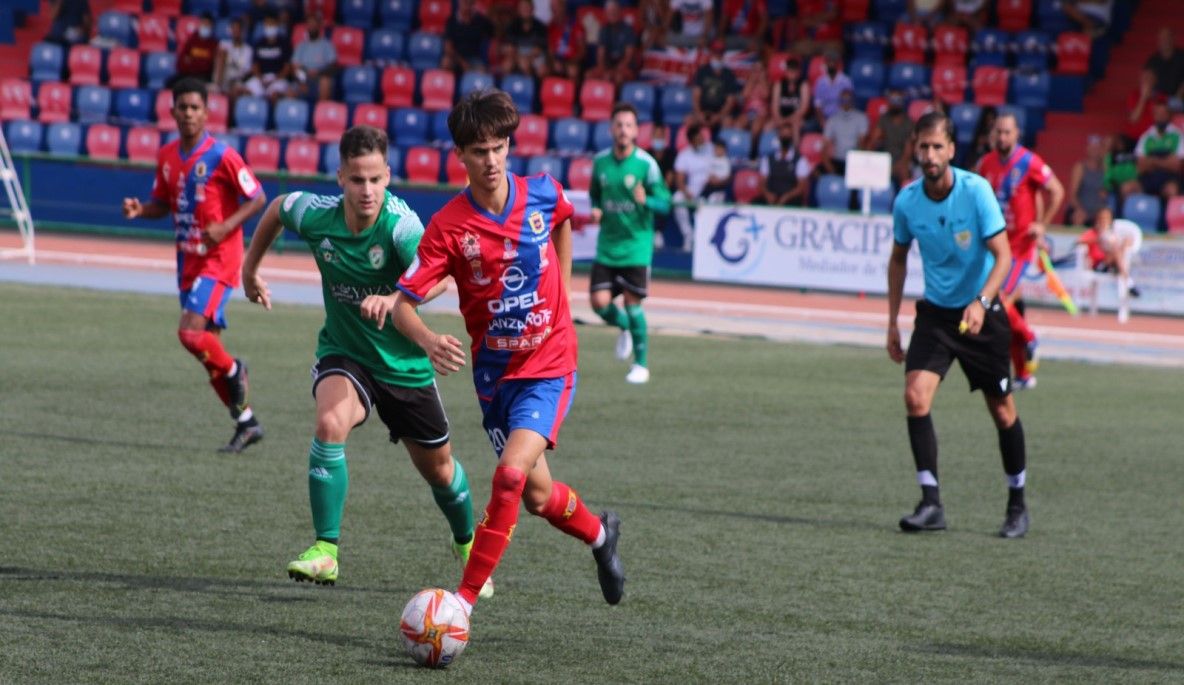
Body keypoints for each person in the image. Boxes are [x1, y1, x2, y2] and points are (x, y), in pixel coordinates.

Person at [390, 89, 626, 617]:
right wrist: (428, 340)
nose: (491, 160)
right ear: (461, 156)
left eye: (499, 147)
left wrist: (562, 294)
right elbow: (404, 306)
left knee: (511, 477)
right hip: (496, 381)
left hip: (550, 364)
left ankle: (462, 603)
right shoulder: (450, 226)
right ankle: (599, 534)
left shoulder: (543, 193)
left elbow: (563, 218)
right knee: (539, 498)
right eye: (479, 151)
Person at [238, 126, 492, 596]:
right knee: (330, 423)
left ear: (389, 176)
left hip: (404, 366)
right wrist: (249, 270)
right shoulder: (318, 216)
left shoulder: (401, 226)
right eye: (357, 180)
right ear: (340, 178)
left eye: (376, 179)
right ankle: (326, 552)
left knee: (440, 470)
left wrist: (395, 296)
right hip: (346, 352)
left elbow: (441, 278)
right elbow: (275, 209)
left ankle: (468, 545)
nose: (367, 190)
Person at [887, 111, 1030, 539]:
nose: (929, 155)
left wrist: (982, 301)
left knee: (1002, 411)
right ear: (915, 148)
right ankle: (931, 504)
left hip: (982, 313)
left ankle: (1017, 505)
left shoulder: (976, 191)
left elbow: (1003, 255)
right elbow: (897, 260)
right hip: (936, 314)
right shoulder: (907, 201)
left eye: (937, 147)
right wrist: (892, 321)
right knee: (915, 396)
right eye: (922, 146)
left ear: (951, 150)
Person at [121, 78, 266, 453]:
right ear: (172, 112)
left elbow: (257, 196)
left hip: (220, 259)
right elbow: (162, 203)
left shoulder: (222, 155)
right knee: (206, 352)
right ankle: (246, 422)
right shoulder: (167, 156)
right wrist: (142, 210)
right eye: (182, 107)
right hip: (187, 260)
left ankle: (237, 370)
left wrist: (227, 225)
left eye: (194, 107)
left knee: (190, 334)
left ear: (206, 112)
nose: (188, 113)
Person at [973, 112, 1065, 390]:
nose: (1002, 137)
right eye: (998, 132)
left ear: (1017, 135)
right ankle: (1024, 374)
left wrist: (1042, 224)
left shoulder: (1029, 161)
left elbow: (1058, 191)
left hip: (1019, 247)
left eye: (1007, 132)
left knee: (996, 300)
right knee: (1006, 309)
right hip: (994, 245)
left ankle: (1030, 337)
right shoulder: (986, 163)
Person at [589, 103, 672, 384]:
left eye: (629, 125)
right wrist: (597, 208)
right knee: (599, 303)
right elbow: (595, 195)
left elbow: (666, 203)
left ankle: (641, 365)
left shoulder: (647, 165)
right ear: (612, 129)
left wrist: (646, 200)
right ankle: (624, 327)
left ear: (636, 131)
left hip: (636, 245)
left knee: (632, 302)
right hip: (607, 246)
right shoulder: (600, 162)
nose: (623, 130)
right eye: (619, 124)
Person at [1077, 207, 1142, 298]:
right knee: (1117, 251)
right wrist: (1098, 239)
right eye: (1102, 218)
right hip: (1099, 266)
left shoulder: (1112, 233)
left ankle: (1128, 282)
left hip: (1112, 264)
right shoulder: (1093, 233)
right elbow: (1079, 241)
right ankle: (1129, 283)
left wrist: (1122, 244)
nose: (1104, 221)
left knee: (1119, 249)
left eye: (1106, 218)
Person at [671, 121, 714, 251]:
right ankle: (689, 236)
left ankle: (705, 240)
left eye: (701, 138)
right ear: (691, 142)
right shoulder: (684, 155)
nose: (701, 141)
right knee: (677, 198)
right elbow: (679, 180)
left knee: (715, 200)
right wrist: (686, 192)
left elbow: (723, 169)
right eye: (697, 140)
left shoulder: (712, 149)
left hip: (710, 190)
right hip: (692, 192)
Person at [1134, 101, 1183, 207]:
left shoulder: (1178, 136)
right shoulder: (1146, 137)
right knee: (1129, 188)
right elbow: (1140, 167)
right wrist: (1166, 161)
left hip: (1169, 178)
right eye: (1158, 114)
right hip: (1148, 177)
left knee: (1172, 191)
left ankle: (1171, 222)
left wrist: (1152, 161)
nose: (1161, 117)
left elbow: (1176, 166)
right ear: (1154, 116)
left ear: (1169, 116)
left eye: (1164, 114)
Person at [691, 40, 741, 133]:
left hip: (720, 113)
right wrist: (698, 114)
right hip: (703, 110)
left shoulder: (729, 74)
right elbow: (696, 95)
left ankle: (720, 147)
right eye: (716, 52)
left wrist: (719, 116)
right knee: (689, 121)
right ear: (711, 52)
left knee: (728, 122)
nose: (718, 55)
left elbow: (730, 101)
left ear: (723, 54)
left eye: (720, 52)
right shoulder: (702, 71)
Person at [590, 0, 639, 88]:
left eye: (615, 11)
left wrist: (615, 70)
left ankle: (617, 100)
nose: (612, 14)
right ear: (606, 14)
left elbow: (629, 56)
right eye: (610, 12)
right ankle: (595, 99)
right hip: (609, 65)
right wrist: (603, 68)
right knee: (589, 75)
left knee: (618, 77)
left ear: (620, 12)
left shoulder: (628, 30)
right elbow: (600, 54)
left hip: (624, 65)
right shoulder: (604, 30)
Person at [291, 11, 337, 101]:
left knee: (325, 82)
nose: (311, 27)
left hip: (320, 77)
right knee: (289, 91)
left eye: (314, 24)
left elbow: (333, 66)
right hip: (305, 77)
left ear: (319, 26)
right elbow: (295, 67)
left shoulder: (327, 45)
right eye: (309, 24)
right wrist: (302, 81)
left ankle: (321, 112)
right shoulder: (301, 46)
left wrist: (318, 72)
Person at [823, 88, 868, 176]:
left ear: (853, 100)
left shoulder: (861, 117)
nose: (846, 102)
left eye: (848, 99)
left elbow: (862, 142)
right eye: (843, 99)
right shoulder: (832, 120)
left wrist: (856, 163)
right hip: (837, 160)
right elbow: (825, 145)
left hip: (854, 160)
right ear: (839, 101)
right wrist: (829, 167)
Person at [1065, 135, 1108, 227]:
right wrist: (1079, 209)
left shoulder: (1105, 168)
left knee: (1105, 218)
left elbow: (1106, 191)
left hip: (1097, 209)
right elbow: (1072, 195)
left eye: (1098, 148)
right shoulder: (1080, 167)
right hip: (1082, 207)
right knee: (1078, 218)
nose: (1095, 151)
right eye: (1093, 147)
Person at [443, 0, 495, 74]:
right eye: (465, 3)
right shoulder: (451, 21)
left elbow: (494, 33)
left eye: (470, 4)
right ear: (460, 3)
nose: (467, 7)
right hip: (455, 57)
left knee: (482, 71)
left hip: (473, 58)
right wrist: (462, 62)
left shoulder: (481, 21)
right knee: (446, 63)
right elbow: (448, 48)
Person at [770, 55, 812, 138]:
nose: (792, 74)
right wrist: (779, 119)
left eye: (794, 71)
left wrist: (787, 120)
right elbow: (774, 106)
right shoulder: (778, 85)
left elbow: (804, 109)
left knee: (795, 126)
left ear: (798, 72)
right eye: (790, 71)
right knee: (768, 127)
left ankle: (796, 150)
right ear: (786, 71)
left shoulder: (804, 85)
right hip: (781, 117)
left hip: (797, 118)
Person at [212, 17, 253, 96]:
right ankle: (217, 87)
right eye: (233, 29)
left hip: (238, 80)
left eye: (238, 29)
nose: (235, 32)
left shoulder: (248, 50)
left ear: (242, 32)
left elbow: (245, 71)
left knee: (238, 90)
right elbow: (218, 63)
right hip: (223, 79)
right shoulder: (223, 44)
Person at [174, 13, 219, 84]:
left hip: (203, 77)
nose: (205, 26)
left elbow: (209, 66)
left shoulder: (214, 44)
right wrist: (200, 62)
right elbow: (181, 63)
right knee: (171, 82)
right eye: (203, 23)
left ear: (212, 26)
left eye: (207, 24)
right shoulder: (192, 40)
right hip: (187, 75)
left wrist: (192, 61)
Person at [1144, 28, 1184, 101]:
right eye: (1162, 38)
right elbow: (1146, 78)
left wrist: (1180, 94)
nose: (1165, 41)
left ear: (1173, 38)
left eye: (1167, 37)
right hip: (1158, 98)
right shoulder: (1153, 60)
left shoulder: (1182, 57)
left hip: (1178, 98)